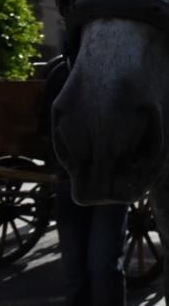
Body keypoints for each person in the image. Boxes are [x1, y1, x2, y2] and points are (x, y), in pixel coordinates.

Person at [40, 57, 128, 306]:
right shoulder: (61, 72)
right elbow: (46, 125)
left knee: (102, 264)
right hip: (72, 180)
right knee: (75, 266)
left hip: (109, 183)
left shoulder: (118, 73)